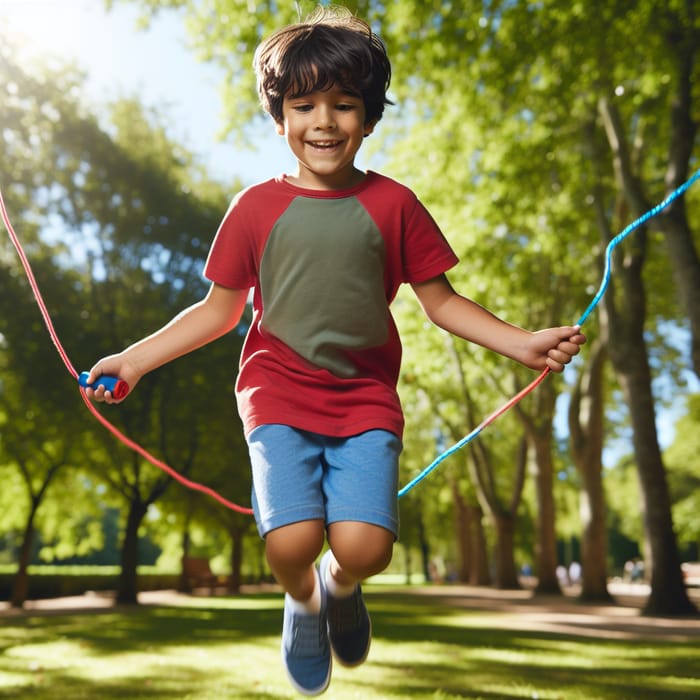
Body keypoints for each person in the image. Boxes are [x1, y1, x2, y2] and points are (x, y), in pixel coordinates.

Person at [85, 6, 585, 696]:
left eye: (344, 105)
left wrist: (522, 343)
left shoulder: (395, 204)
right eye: (305, 105)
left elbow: (441, 302)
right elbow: (218, 311)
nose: (324, 121)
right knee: (289, 543)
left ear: (370, 117)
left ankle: (340, 585)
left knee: (364, 547)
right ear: (281, 118)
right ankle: (304, 600)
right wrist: (134, 360)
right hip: (276, 393)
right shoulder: (254, 208)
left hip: (365, 399)